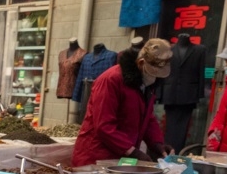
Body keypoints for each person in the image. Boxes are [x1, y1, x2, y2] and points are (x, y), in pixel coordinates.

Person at [71, 38, 174, 167]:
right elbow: (104, 126)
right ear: (141, 63)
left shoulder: (145, 85)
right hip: (96, 158)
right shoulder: (111, 80)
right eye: (152, 72)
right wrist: (132, 151)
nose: (155, 77)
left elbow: (147, 118)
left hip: (122, 159)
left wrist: (157, 144)